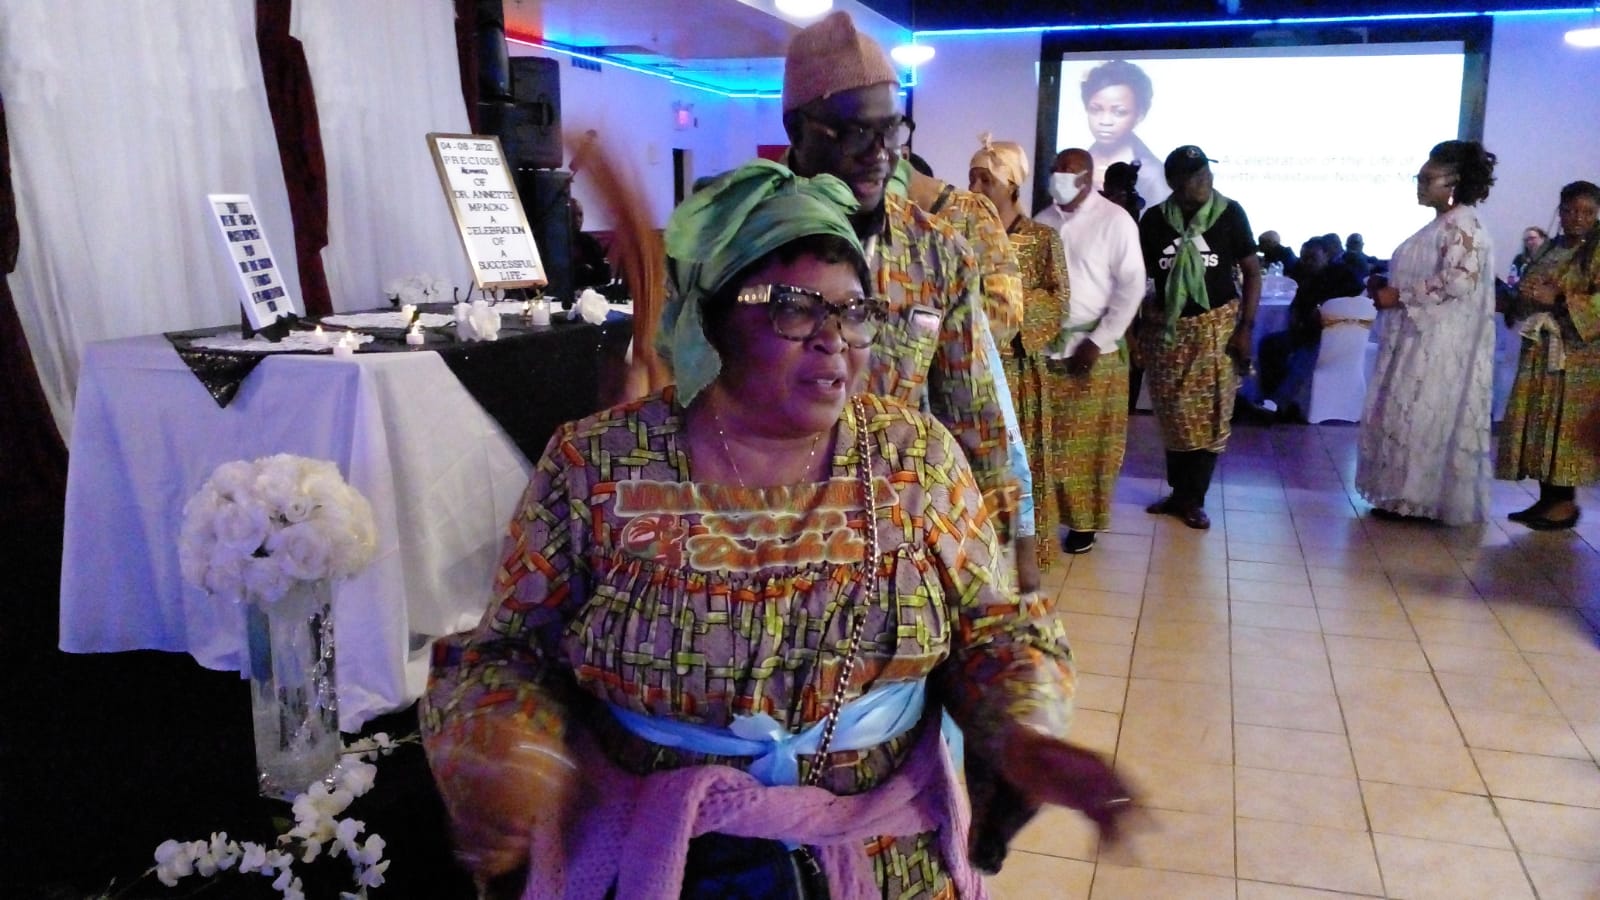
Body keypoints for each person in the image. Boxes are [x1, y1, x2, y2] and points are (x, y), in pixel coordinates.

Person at [420, 160, 1133, 898]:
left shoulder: (914, 458)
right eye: (795, 310)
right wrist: (505, 751)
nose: (834, 339)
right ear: (717, 318)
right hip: (662, 862)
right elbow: (507, 654)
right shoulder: (599, 462)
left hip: (884, 863)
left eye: (854, 311)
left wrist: (1023, 733)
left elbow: (995, 630)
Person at [780, 12, 1017, 542]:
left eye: (891, 129)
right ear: (797, 129)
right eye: (856, 132)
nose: (880, 154)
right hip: (769, 527)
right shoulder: (737, 243)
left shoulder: (937, 252)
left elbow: (972, 412)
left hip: (896, 528)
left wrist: (1001, 538)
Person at [1356, 140, 1498, 524]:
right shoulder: (1441, 224)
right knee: (1407, 409)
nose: (1419, 186)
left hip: (1438, 340)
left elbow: (1459, 280)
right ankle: (1402, 495)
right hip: (1416, 335)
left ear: (1453, 182)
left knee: (1425, 411)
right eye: (1418, 178)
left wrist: (1399, 295)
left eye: (1426, 179)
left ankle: (1421, 498)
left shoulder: (1465, 225)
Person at [1136, 145, 1261, 530]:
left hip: (1216, 328)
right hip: (1168, 333)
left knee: (1210, 415)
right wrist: (1136, 328)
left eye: (1207, 172)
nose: (1205, 180)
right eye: (1195, 176)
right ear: (1174, 182)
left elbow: (1252, 272)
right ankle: (1179, 493)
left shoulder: (1229, 214)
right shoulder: (1155, 220)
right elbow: (1138, 277)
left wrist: (1245, 328)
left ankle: (1195, 498)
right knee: (1174, 414)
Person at [1034, 148, 1144, 554]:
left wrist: (1098, 340)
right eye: (1055, 169)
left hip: (1094, 351)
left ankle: (1084, 523)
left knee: (1086, 446)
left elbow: (1131, 286)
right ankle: (1043, 518)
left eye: (1068, 171)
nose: (1058, 176)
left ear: (1086, 177)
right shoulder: (1042, 221)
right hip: (1048, 350)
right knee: (1046, 442)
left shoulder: (1115, 221)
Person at [968, 135, 1070, 570]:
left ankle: (1025, 552)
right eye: (971, 177)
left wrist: (1008, 317)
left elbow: (1058, 298)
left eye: (985, 179)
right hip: (969, 365)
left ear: (1011, 184)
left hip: (1018, 368)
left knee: (1018, 460)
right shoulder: (959, 232)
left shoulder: (1042, 238)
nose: (974, 188)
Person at [1497, 180, 1600, 530]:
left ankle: (1565, 504)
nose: (1577, 218)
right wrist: (1516, 299)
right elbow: (1533, 287)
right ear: (1560, 211)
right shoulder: (1551, 247)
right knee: (1540, 422)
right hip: (1541, 350)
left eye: (1587, 212)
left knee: (1564, 427)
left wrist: (1559, 299)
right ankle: (1547, 499)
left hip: (1578, 357)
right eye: (1570, 211)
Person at [1246, 237, 1364, 419]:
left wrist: (1324, 308)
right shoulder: (1308, 276)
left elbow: (1355, 299)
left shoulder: (1344, 275)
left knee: (1305, 352)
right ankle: (1269, 398)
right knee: (1270, 344)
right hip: (1307, 330)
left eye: (1312, 258)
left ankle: (1279, 402)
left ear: (1326, 255)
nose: (1308, 262)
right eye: (1304, 258)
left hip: (1336, 333)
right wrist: (1296, 314)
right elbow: (1298, 302)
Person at [1079, 60, 1168, 206]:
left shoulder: (1153, 175)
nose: (1105, 121)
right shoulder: (1074, 165)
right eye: (1095, 110)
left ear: (1139, 115)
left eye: (1119, 112)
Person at [570, 197, 613, 290]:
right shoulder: (553, 244)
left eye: (580, 215)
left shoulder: (589, 241)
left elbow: (604, 277)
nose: (577, 219)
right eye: (572, 215)